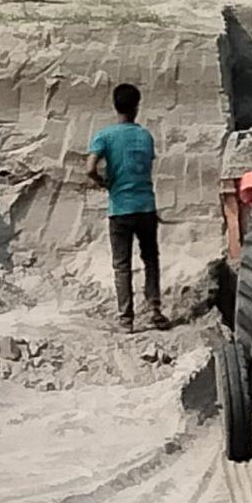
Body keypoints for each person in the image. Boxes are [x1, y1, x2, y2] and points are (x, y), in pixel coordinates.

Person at [87, 83, 166, 330]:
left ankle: (126, 319)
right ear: (137, 106)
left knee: (122, 265)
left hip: (120, 208)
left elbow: (89, 168)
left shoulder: (105, 136)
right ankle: (154, 308)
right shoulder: (145, 136)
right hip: (145, 206)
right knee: (150, 258)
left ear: (115, 105)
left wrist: (103, 182)